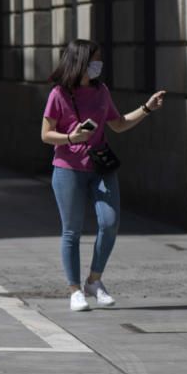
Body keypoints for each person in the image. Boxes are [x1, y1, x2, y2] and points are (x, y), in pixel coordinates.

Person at [41, 39, 165, 312]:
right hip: (67, 169)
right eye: (95, 59)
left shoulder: (101, 91)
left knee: (109, 221)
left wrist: (146, 108)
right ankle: (75, 290)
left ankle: (94, 281)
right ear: (81, 62)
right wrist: (72, 136)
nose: (99, 65)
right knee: (71, 231)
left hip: (100, 167)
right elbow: (46, 134)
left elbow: (118, 125)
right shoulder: (59, 94)